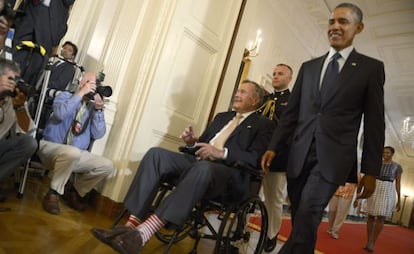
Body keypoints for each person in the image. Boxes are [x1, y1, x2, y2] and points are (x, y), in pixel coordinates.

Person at [90, 80, 275, 254]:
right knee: (156, 154)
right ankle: (129, 228)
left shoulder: (263, 124)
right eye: (237, 91)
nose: (236, 95)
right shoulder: (222, 117)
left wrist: (221, 153)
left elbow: (254, 158)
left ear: (255, 100)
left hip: (227, 176)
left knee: (203, 169)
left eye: (243, 92)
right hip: (198, 163)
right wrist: (192, 142)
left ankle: (143, 233)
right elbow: (203, 144)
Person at [261, 3, 385, 253]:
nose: (335, 27)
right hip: (298, 154)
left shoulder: (370, 68)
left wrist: (371, 170)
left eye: (343, 22)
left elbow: (375, 122)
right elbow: (291, 115)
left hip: (333, 159)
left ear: (358, 28)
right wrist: (274, 146)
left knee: (309, 212)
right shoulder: (309, 68)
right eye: (331, 22)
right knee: (301, 220)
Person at [37, 72, 115, 215]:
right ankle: (52, 193)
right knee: (71, 152)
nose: (93, 87)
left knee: (107, 166)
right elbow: (60, 114)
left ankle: (75, 192)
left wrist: (98, 110)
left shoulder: (92, 108)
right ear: (81, 82)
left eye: (95, 85)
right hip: (51, 148)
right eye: (89, 83)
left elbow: (98, 134)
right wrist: (80, 93)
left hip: (75, 155)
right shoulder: (65, 96)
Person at [257, 63, 292, 252]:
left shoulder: (294, 100)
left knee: (274, 200)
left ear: (289, 78)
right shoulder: (264, 99)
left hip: (278, 158)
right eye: (274, 73)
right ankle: (240, 228)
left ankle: (271, 234)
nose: (275, 76)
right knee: (249, 195)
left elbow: (291, 132)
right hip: (255, 155)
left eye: (280, 74)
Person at [12, 0, 76, 86]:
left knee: (37, 63)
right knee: (15, 55)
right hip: (30, 11)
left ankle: (21, 94)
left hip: (51, 19)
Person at [0, 58, 38, 202]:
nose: (13, 83)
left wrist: (19, 107)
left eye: (16, 79)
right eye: (9, 78)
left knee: (29, 143)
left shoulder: (14, 99)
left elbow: (27, 129)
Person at [362, 146, 402, 253]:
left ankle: (372, 243)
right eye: (384, 152)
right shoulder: (376, 163)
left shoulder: (397, 167)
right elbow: (369, 177)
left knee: (381, 216)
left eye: (388, 152)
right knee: (370, 215)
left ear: (392, 154)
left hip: (387, 189)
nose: (385, 154)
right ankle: (369, 240)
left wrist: (399, 199)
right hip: (375, 186)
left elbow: (398, 183)